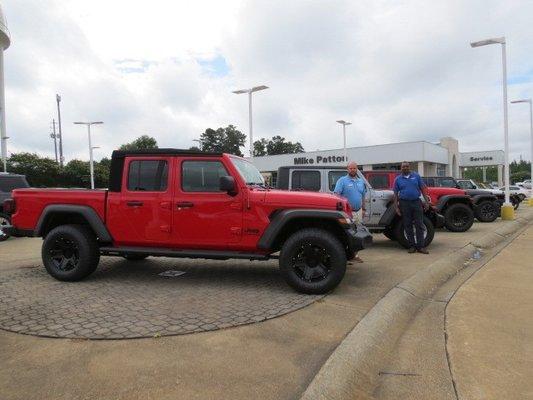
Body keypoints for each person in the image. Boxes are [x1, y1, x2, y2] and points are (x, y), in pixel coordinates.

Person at [392, 161, 431, 254]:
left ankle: (421, 247)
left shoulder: (416, 176)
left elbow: (423, 189)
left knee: (419, 224)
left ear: (409, 167)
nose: (405, 168)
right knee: (407, 225)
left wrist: (426, 202)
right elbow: (395, 194)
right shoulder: (397, 179)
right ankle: (412, 246)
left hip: (416, 202)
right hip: (404, 203)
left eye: (406, 166)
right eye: (403, 167)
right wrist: (396, 208)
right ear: (401, 168)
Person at [334, 161, 367, 263]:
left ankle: (355, 255)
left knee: (357, 234)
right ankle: (345, 257)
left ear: (357, 169)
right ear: (347, 169)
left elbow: (363, 196)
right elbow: (336, 195)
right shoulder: (342, 181)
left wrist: (364, 209)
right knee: (346, 234)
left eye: (354, 168)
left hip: (358, 211)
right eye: (351, 168)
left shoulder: (361, 181)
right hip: (347, 213)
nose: (353, 170)